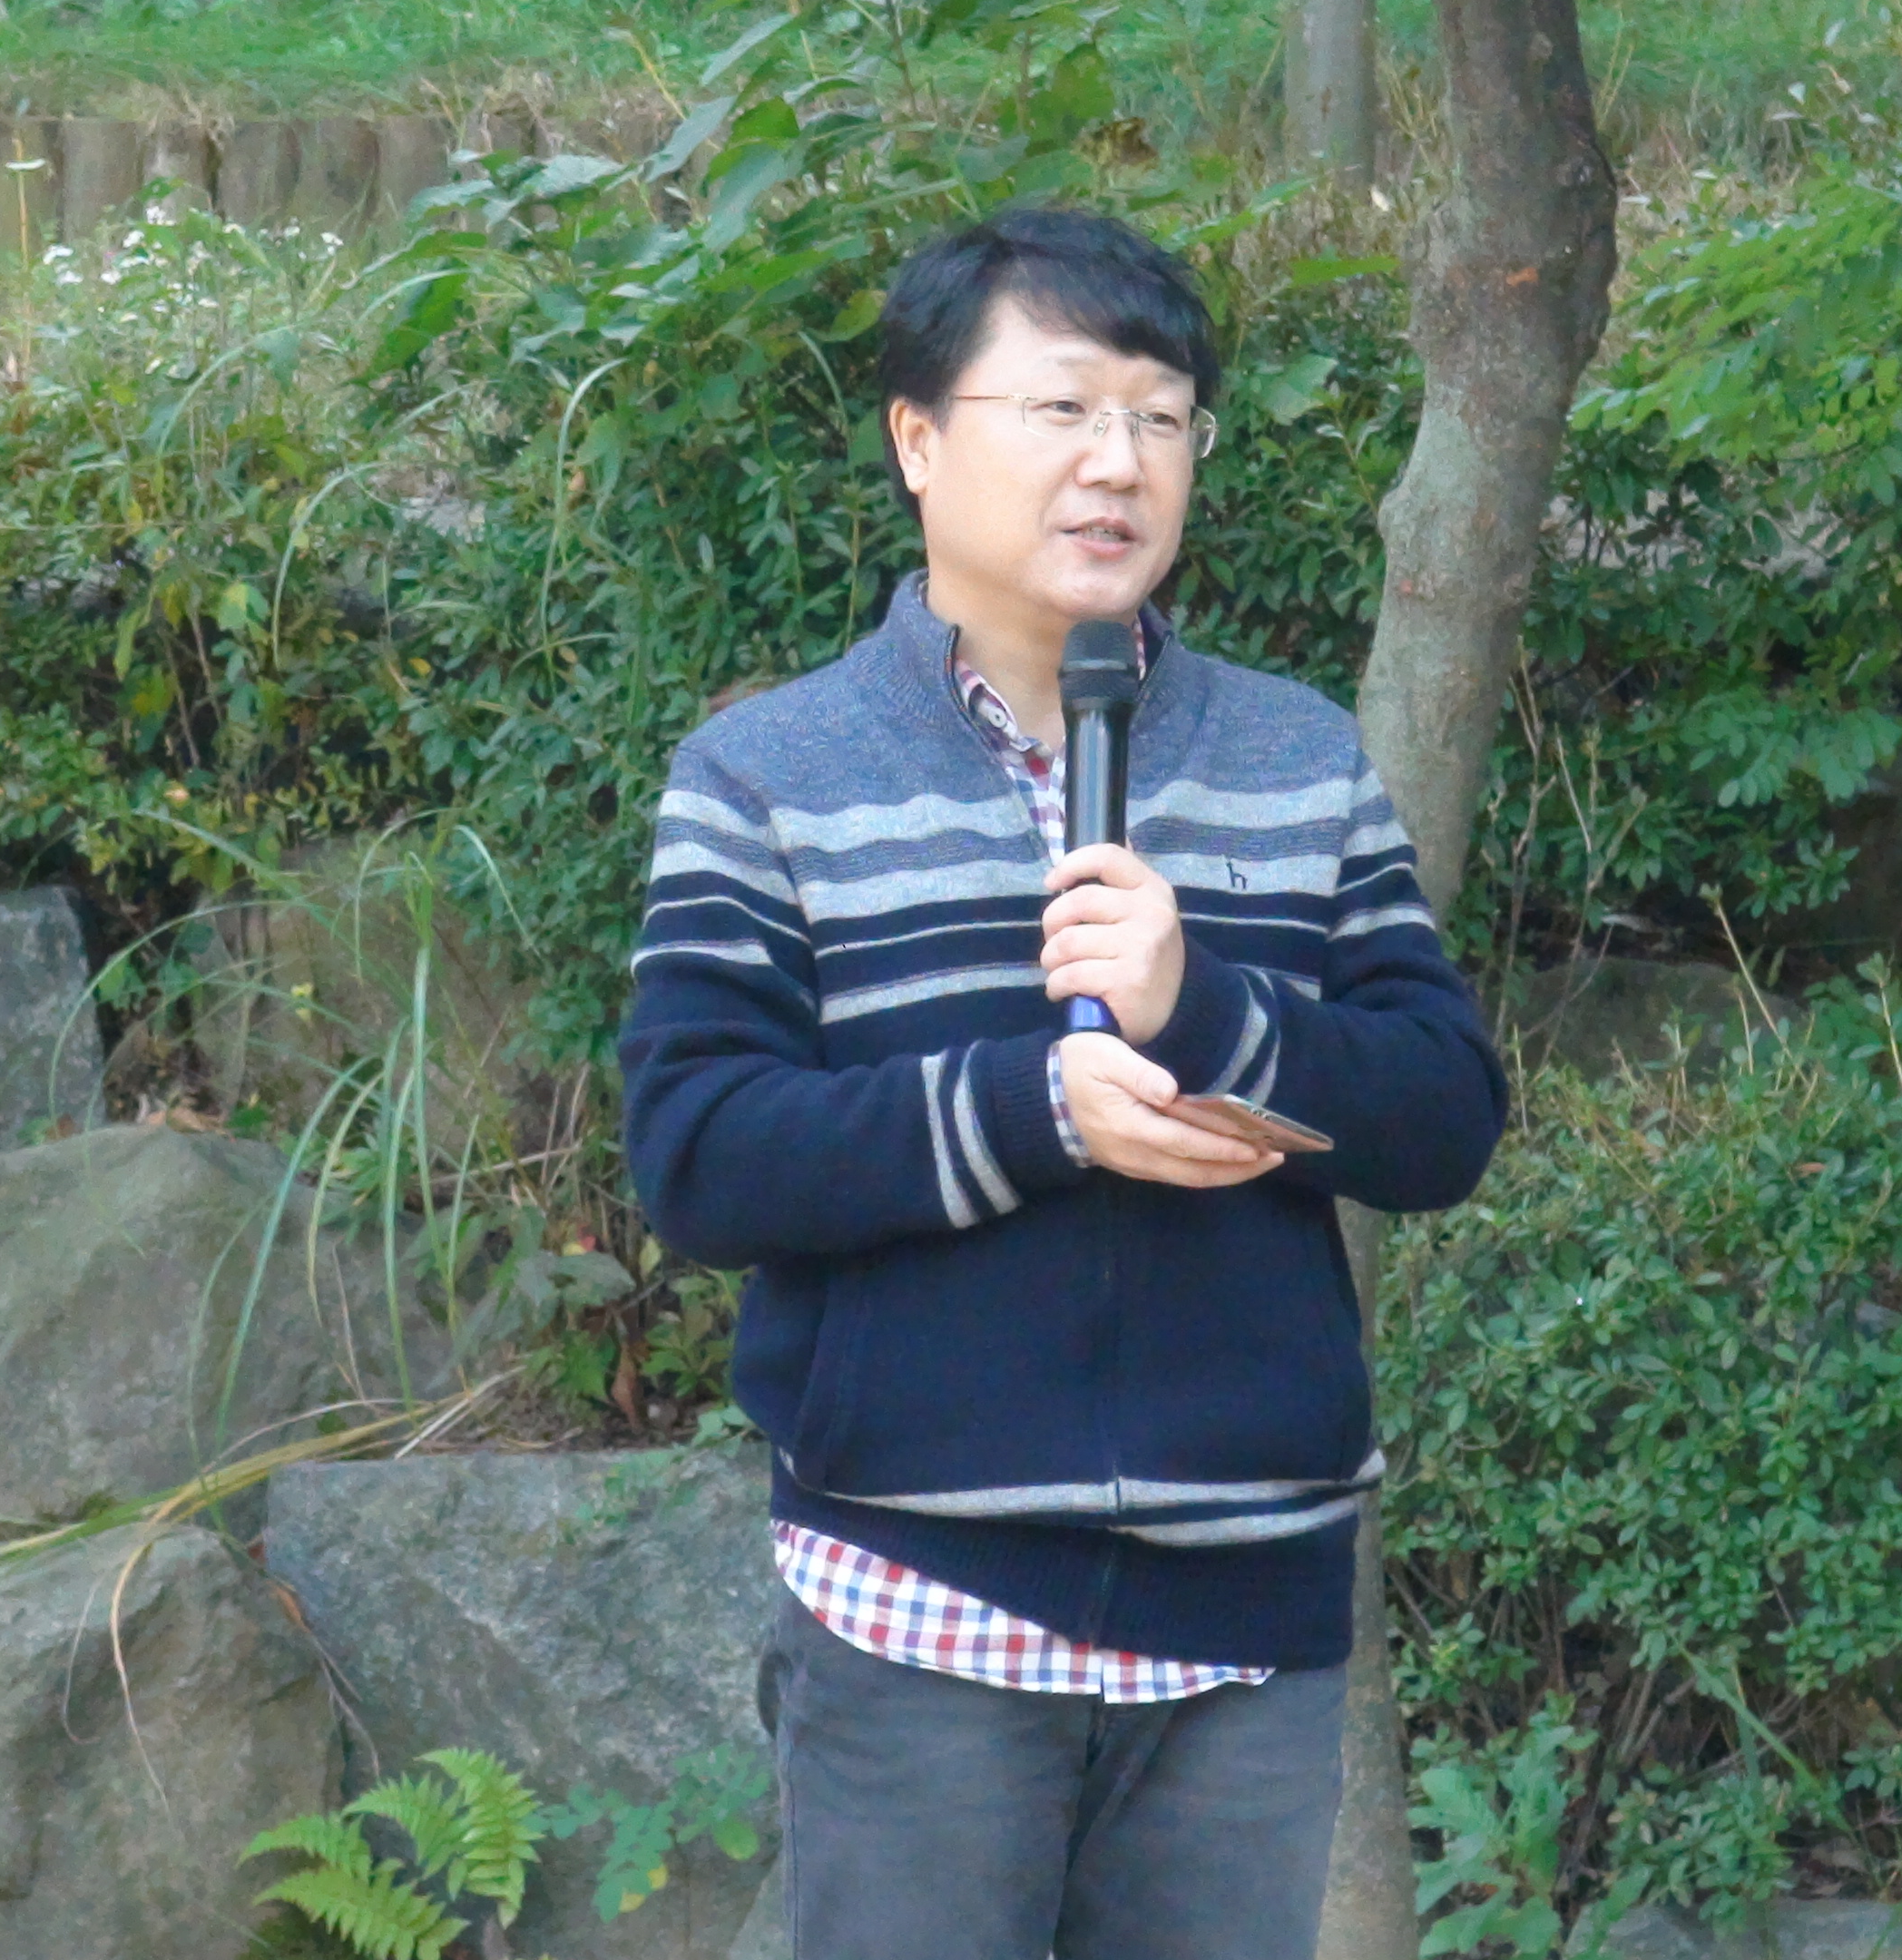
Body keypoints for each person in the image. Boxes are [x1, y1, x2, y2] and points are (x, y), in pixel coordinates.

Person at [616, 203, 1507, 1960]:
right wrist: (1031, 1111)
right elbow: (701, 1153)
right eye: (1065, 409)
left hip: (1244, 1620)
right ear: (918, 439)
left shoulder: (1298, 761)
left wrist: (1204, 1009)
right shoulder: (770, 776)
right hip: (919, 1602)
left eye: (1162, 418)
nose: (1119, 463)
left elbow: (1442, 1115)